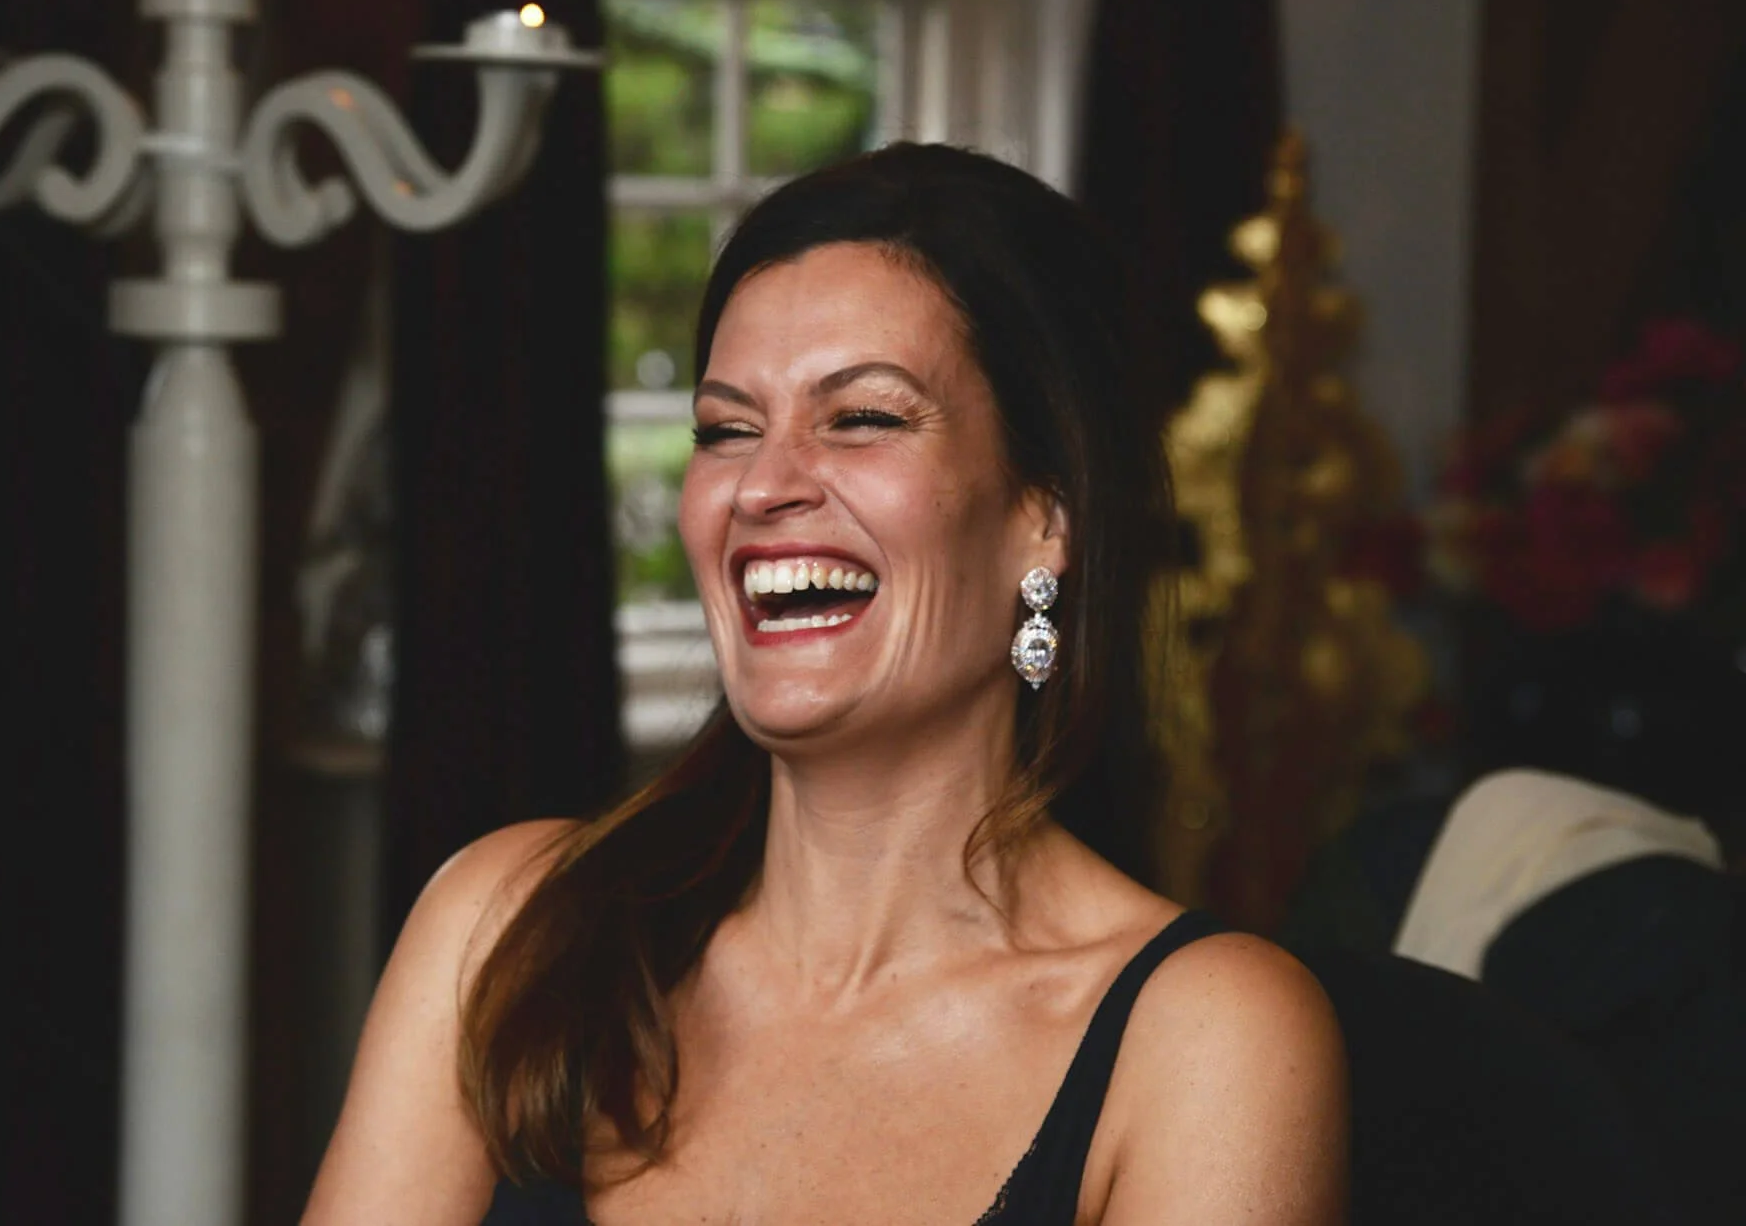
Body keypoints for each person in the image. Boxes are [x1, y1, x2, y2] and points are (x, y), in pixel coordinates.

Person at [302, 144, 1349, 1225]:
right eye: (725, 430)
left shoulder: (1203, 1036)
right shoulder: (508, 925)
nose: (762, 485)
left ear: (1045, 514)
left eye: (862, 418)